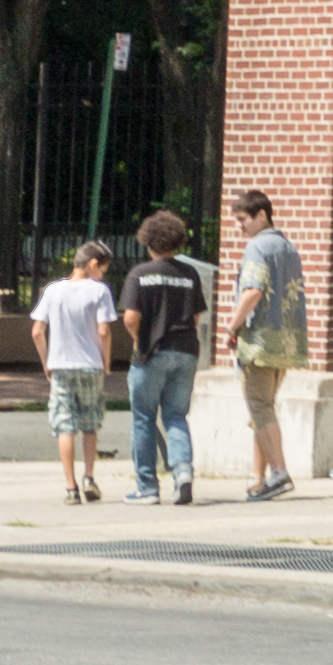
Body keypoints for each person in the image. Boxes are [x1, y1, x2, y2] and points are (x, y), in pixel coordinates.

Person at [118, 210, 210, 505]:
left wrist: (139, 340)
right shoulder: (189, 274)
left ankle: (147, 486)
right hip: (186, 350)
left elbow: (131, 316)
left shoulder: (140, 274)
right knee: (175, 415)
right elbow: (195, 317)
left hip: (152, 352)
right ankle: (183, 473)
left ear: (148, 240)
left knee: (144, 418)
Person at [220, 185, 304, 503]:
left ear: (262, 215)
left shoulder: (257, 248)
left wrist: (232, 326)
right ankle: (259, 478)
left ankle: (279, 473)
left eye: (243, 219)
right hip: (286, 341)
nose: (239, 227)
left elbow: (252, 291)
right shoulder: (287, 247)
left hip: (258, 342)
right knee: (263, 410)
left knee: (260, 409)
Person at [32, 240, 120, 503]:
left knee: (65, 426)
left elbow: (37, 331)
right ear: (93, 264)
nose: (102, 275)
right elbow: (104, 331)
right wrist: (106, 361)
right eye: (102, 269)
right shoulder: (99, 291)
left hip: (60, 365)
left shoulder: (52, 290)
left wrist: (46, 362)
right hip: (90, 365)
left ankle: (70, 488)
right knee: (90, 424)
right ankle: (89, 478)